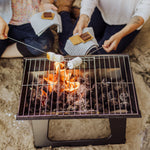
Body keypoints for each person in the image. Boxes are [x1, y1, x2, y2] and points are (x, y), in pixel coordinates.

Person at [60, 0, 150, 55]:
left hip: (126, 23)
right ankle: (64, 10)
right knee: (68, 48)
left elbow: (141, 15)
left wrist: (120, 35)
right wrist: (84, 16)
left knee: (96, 58)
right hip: (100, 11)